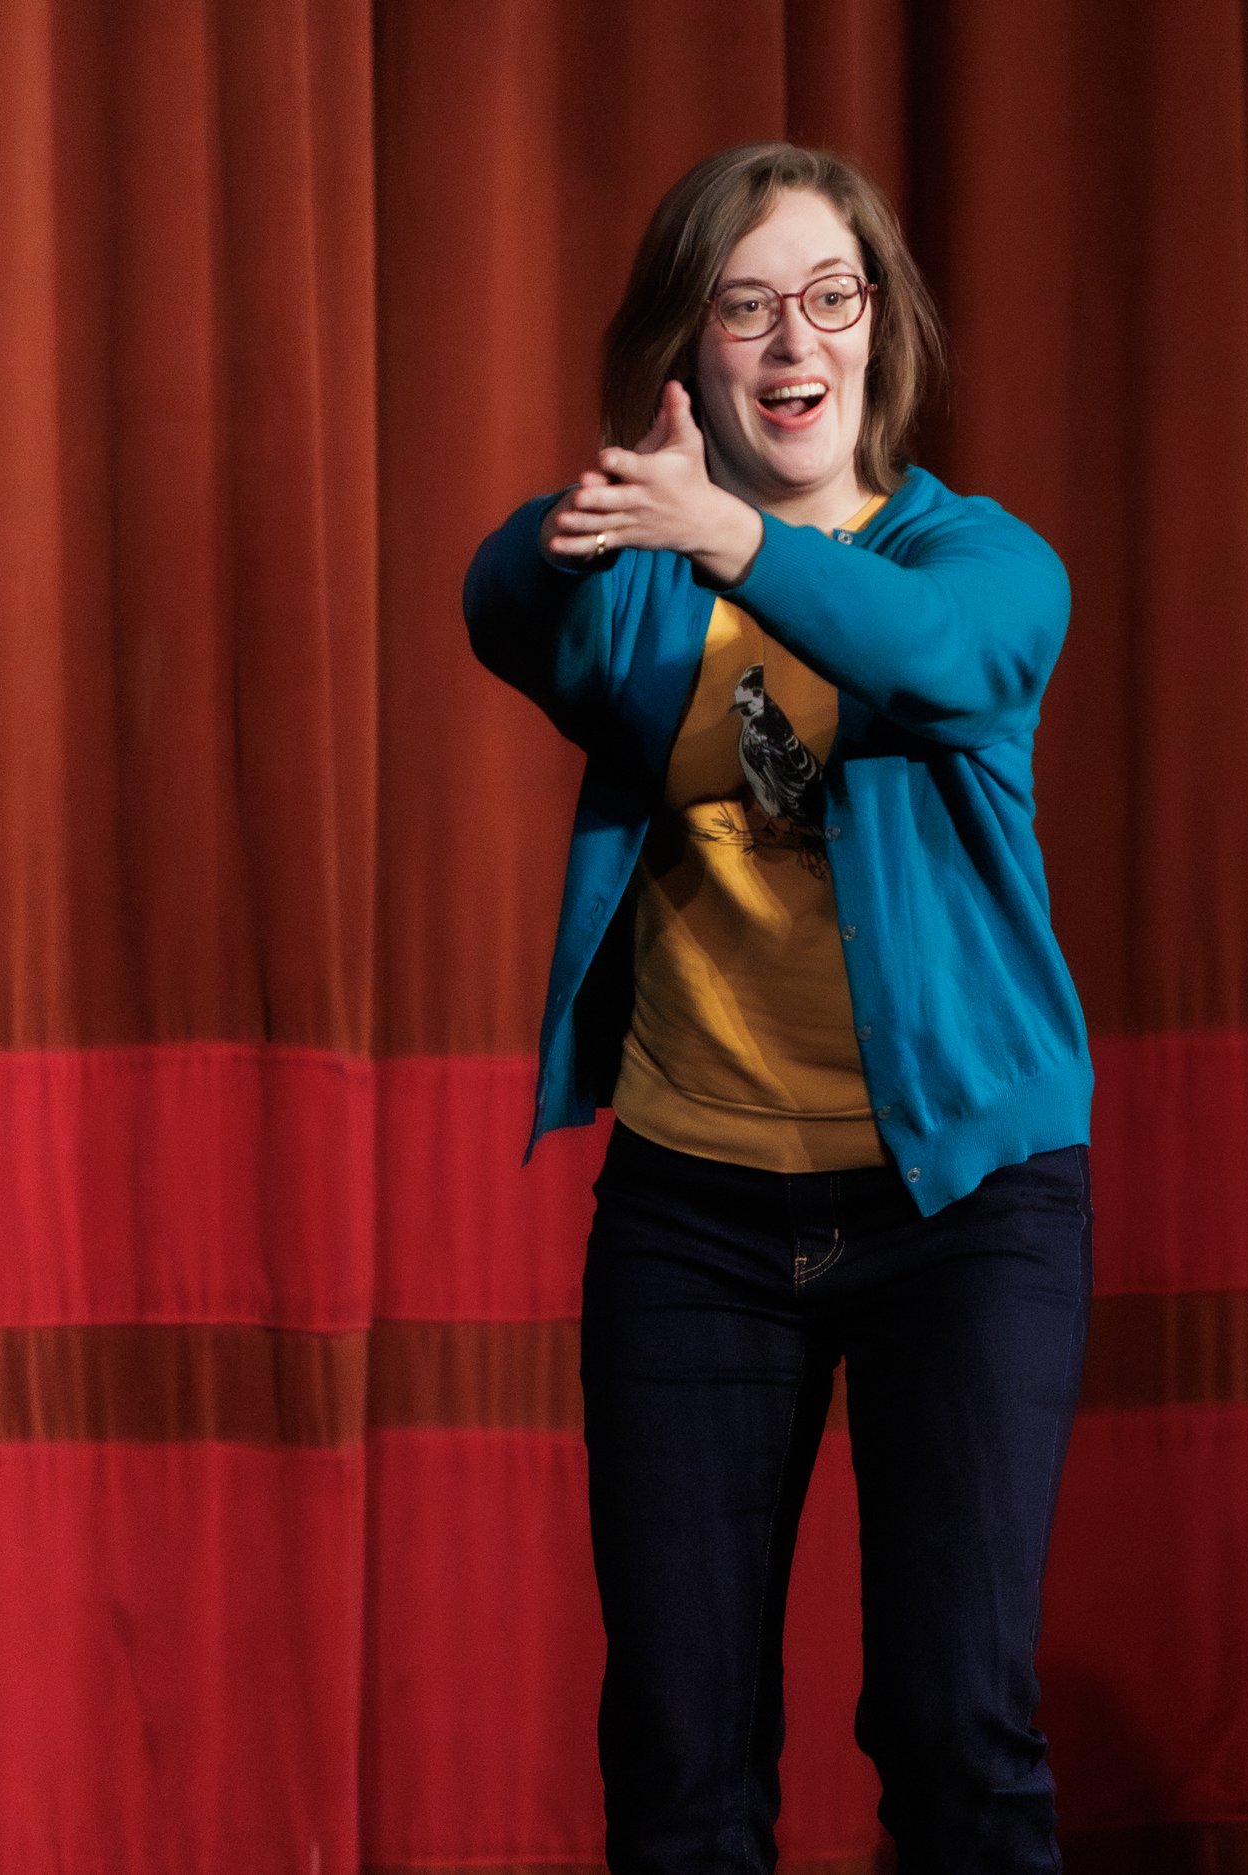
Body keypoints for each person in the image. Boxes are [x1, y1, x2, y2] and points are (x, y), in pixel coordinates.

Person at [462, 140, 1094, 1875]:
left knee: (957, 1728)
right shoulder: (645, 584)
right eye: (745, 306)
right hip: (696, 1213)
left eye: (829, 296)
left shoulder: (980, 560)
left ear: (880, 332)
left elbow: (939, 663)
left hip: (961, 1211)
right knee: (680, 1754)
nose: (792, 337)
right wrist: (593, 520)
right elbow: (502, 606)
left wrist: (730, 532)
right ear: (691, 350)